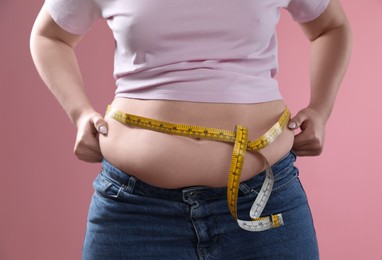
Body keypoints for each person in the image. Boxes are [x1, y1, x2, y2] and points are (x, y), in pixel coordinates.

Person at [30, 0, 352, 259]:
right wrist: (80, 112)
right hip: (133, 213)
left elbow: (332, 26)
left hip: (264, 203)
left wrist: (321, 110)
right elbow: (49, 36)